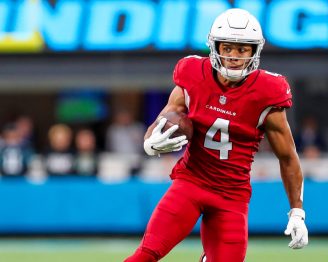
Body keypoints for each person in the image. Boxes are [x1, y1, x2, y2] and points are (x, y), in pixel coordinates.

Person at [125, 8, 308, 262]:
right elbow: (168, 114)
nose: (234, 56)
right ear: (215, 46)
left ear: (255, 51)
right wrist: (149, 142)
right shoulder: (193, 74)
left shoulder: (268, 91)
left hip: (231, 196)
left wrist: (297, 212)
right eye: (228, 47)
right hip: (190, 183)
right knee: (146, 255)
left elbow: (288, 157)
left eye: (243, 49)